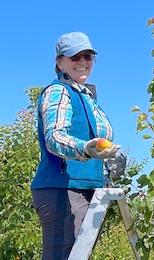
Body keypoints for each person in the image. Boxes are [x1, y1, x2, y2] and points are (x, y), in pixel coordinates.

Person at [31, 32, 126, 260]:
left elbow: (98, 141)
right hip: (63, 189)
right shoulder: (59, 91)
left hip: (89, 188)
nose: (83, 62)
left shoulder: (88, 97)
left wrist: (112, 158)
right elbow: (55, 137)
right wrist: (86, 148)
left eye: (88, 56)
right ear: (60, 62)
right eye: (75, 57)